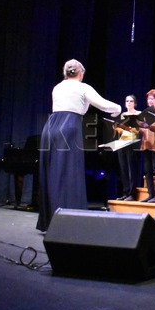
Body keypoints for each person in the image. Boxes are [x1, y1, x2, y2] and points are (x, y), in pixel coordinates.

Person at [37, 59, 121, 232]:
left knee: (53, 173)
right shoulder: (83, 87)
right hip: (69, 127)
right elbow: (103, 105)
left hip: (50, 127)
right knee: (68, 174)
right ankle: (68, 223)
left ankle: (50, 221)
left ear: (65, 72)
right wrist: (118, 109)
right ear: (81, 73)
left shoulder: (57, 87)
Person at [114, 95, 141, 201]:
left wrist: (128, 128)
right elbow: (121, 131)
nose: (129, 103)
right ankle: (125, 192)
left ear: (135, 103)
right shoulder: (123, 115)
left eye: (131, 101)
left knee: (132, 169)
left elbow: (138, 130)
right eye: (127, 101)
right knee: (123, 168)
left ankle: (132, 193)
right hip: (122, 143)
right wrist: (118, 128)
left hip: (132, 143)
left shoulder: (138, 114)